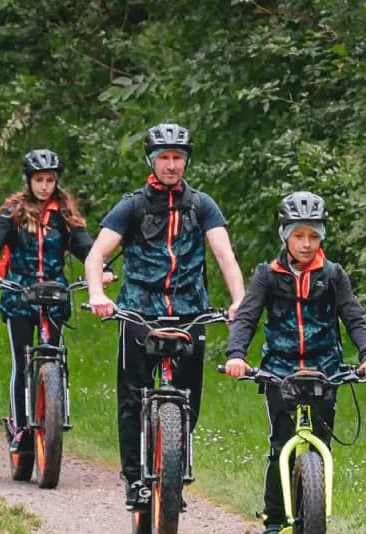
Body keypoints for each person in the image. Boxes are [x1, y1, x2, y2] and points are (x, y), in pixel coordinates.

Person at [84, 122, 246, 510]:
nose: (172, 165)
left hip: (190, 311)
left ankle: (171, 473)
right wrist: (97, 293)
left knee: (190, 399)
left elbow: (225, 256)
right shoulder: (134, 205)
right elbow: (96, 256)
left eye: (178, 158)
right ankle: (136, 480)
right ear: (151, 161)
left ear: (186, 161)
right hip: (139, 311)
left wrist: (239, 300)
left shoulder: (201, 204)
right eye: (165, 158)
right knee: (132, 399)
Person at [224, 191, 366, 534]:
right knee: (280, 443)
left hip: (323, 371)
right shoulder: (268, 275)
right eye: (299, 235)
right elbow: (248, 316)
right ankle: (275, 520)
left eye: (314, 235)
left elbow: (353, 316)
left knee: (322, 444)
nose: (307, 243)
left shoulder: (333, 275)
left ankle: (314, 522)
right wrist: (237, 355)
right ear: (284, 235)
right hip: (280, 372)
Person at [0, 149, 110, 458]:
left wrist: (102, 269)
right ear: (28, 181)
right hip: (19, 293)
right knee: (21, 362)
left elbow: (86, 249)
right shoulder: (12, 212)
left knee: (55, 356)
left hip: (54, 293)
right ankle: (21, 428)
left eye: (50, 180)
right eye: (39, 180)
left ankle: (55, 413)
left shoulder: (64, 215)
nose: (45, 186)